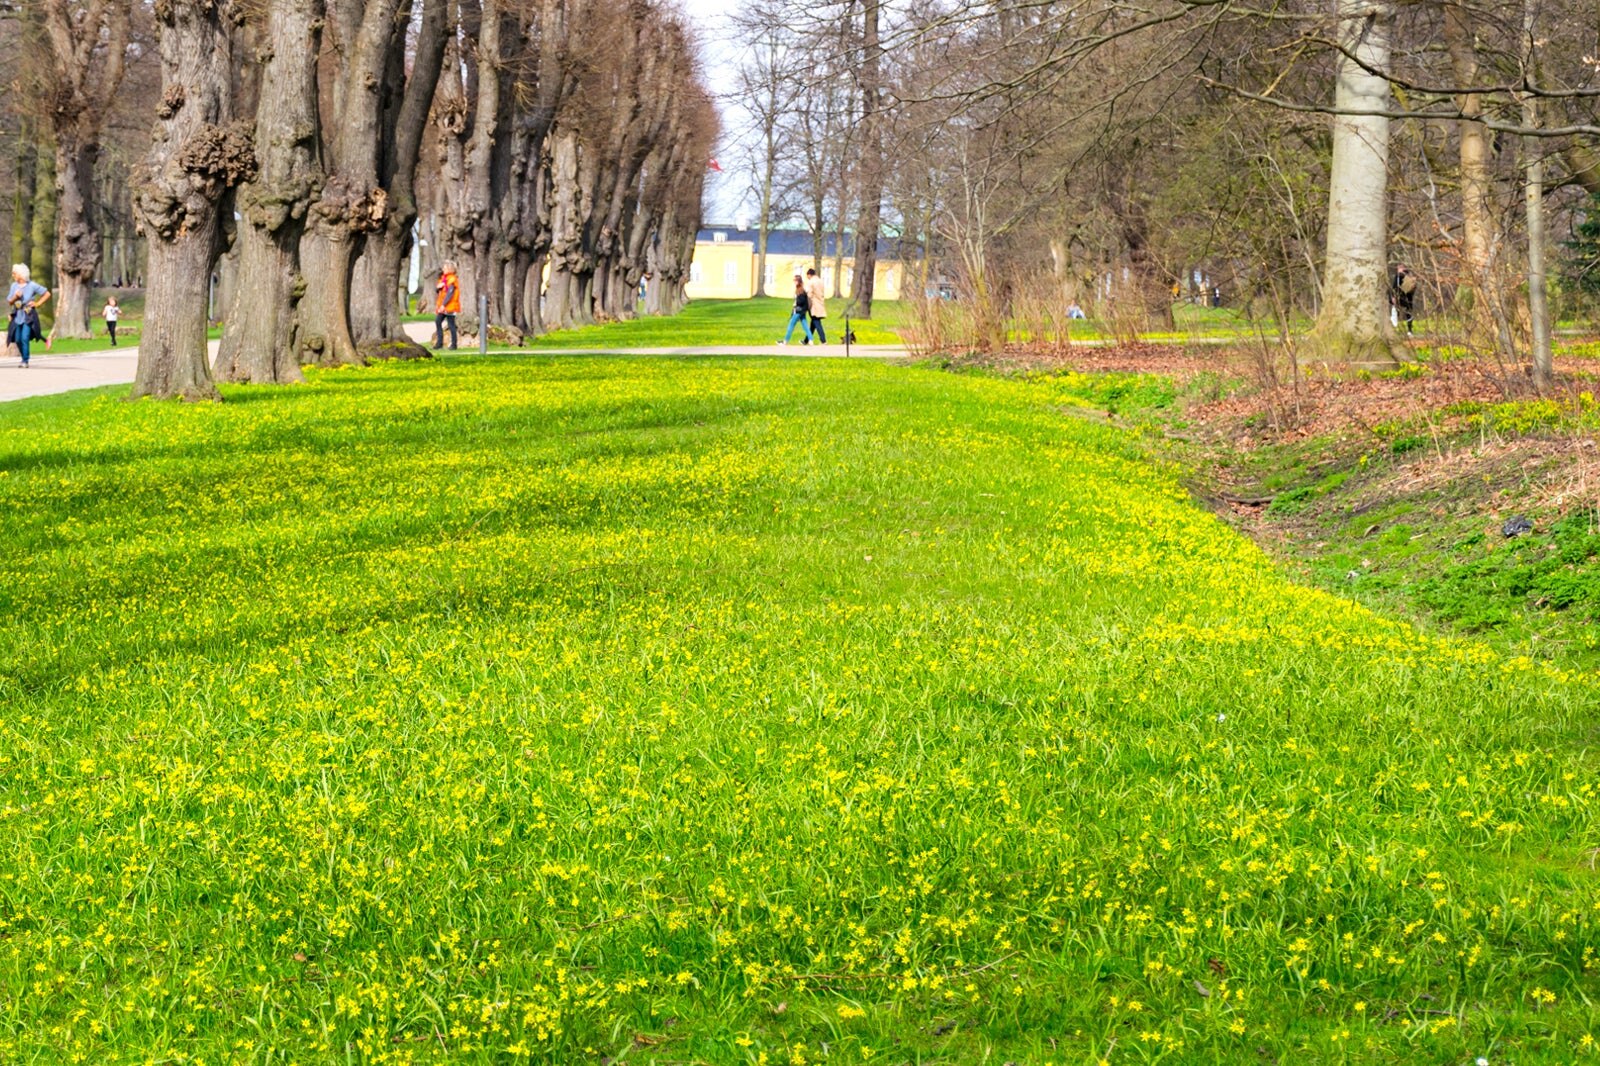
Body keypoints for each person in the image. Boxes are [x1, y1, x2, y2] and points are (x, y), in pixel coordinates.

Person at [7, 264, 49, 367]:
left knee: (24, 337)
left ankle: (25, 360)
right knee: (17, 339)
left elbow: (47, 294)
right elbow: (10, 302)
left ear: (21, 274)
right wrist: (15, 297)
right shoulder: (14, 286)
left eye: (14, 273)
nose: (13, 275)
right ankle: (23, 358)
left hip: (28, 315)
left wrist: (37, 303)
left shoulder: (32, 285)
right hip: (17, 315)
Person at [778, 275, 811, 345]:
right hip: (802, 311)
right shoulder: (800, 289)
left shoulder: (800, 290)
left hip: (798, 311)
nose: (794, 282)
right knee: (805, 326)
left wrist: (795, 303)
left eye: (795, 280)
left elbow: (801, 301)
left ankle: (785, 341)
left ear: (798, 281)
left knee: (791, 325)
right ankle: (811, 340)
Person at [434, 260, 461, 350]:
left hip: (450, 306)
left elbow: (450, 293)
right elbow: (440, 291)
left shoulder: (452, 279)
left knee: (451, 325)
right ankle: (439, 343)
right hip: (443, 306)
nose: (443, 269)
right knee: (438, 321)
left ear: (450, 269)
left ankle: (454, 344)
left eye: (445, 268)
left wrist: (443, 305)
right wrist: (438, 288)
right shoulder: (443, 279)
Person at [1390, 265, 1417, 335]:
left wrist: (1393, 296)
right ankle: (1405, 329)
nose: (1399, 269)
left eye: (1400, 268)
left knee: (1407, 312)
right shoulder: (1400, 276)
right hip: (1403, 298)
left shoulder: (1402, 276)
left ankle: (1409, 330)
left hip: (1405, 298)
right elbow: (1395, 287)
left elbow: (1395, 287)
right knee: (1399, 311)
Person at [804, 267, 827, 343]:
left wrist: (807, 304)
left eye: (808, 276)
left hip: (814, 304)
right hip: (820, 303)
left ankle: (823, 340)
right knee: (813, 323)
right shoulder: (820, 281)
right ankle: (806, 340)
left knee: (816, 322)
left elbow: (809, 294)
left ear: (809, 275)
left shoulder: (811, 282)